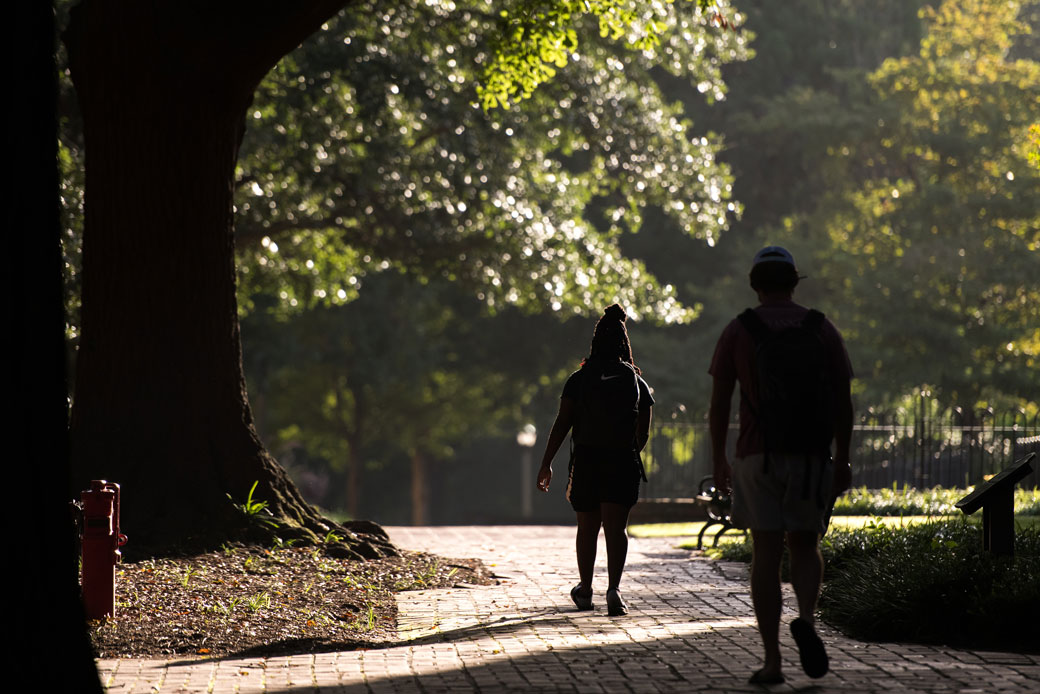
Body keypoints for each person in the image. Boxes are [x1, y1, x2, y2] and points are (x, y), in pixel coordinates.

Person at [708, 246, 853, 684]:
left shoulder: (739, 330)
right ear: (793, 282)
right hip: (810, 455)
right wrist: (842, 457)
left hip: (757, 456)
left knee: (766, 552)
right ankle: (806, 619)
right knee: (805, 545)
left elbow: (719, 406)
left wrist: (719, 458)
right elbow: (843, 403)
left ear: (755, 285)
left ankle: (773, 662)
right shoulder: (821, 328)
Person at [537, 303, 654, 617]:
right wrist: (628, 452)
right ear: (623, 342)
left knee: (587, 528)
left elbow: (563, 422)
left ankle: (586, 589)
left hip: (587, 461)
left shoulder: (579, 378)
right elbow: (642, 432)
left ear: (595, 340)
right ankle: (614, 590)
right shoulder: (636, 381)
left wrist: (547, 462)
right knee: (616, 529)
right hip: (621, 462)